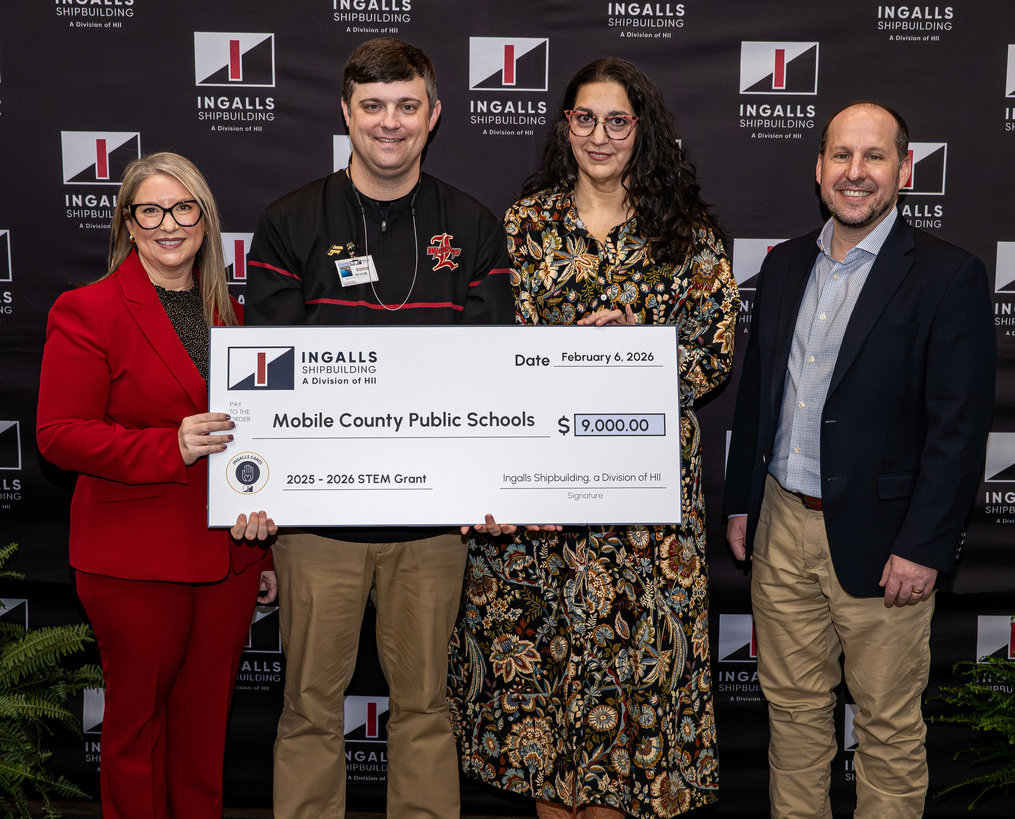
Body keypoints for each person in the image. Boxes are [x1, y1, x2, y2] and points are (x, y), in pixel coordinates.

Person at [447, 58, 739, 819]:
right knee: (547, 714)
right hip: (541, 505)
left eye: (617, 120)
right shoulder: (524, 226)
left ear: (642, 130)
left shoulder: (688, 231)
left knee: (628, 706)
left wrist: (641, 341)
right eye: (585, 118)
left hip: (642, 515)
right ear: (563, 127)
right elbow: (487, 352)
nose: (599, 135)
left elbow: (713, 357)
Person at [243, 38, 514, 818]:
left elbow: (493, 372)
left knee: (426, 709)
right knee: (306, 710)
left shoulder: (471, 223)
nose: (388, 124)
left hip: (432, 526)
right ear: (346, 113)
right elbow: (266, 381)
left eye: (405, 106)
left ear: (433, 115)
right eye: (372, 107)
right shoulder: (290, 219)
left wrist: (487, 484)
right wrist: (259, 492)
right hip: (318, 525)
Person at [722, 102, 996, 819]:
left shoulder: (948, 275)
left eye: (873, 157)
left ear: (905, 170)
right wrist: (744, 501)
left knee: (887, 726)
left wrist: (924, 546)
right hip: (783, 525)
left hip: (887, 542)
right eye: (841, 155)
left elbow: (958, 430)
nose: (855, 173)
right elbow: (759, 393)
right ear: (818, 169)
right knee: (795, 717)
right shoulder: (783, 265)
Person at [36, 152, 278, 819]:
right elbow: (58, 433)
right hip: (134, 558)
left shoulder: (225, 313)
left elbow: (250, 444)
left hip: (227, 558)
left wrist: (264, 549)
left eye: (184, 208)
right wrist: (166, 443)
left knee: (203, 737)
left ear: (205, 219)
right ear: (128, 222)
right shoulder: (88, 310)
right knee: (137, 731)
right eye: (152, 209)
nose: (169, 223)